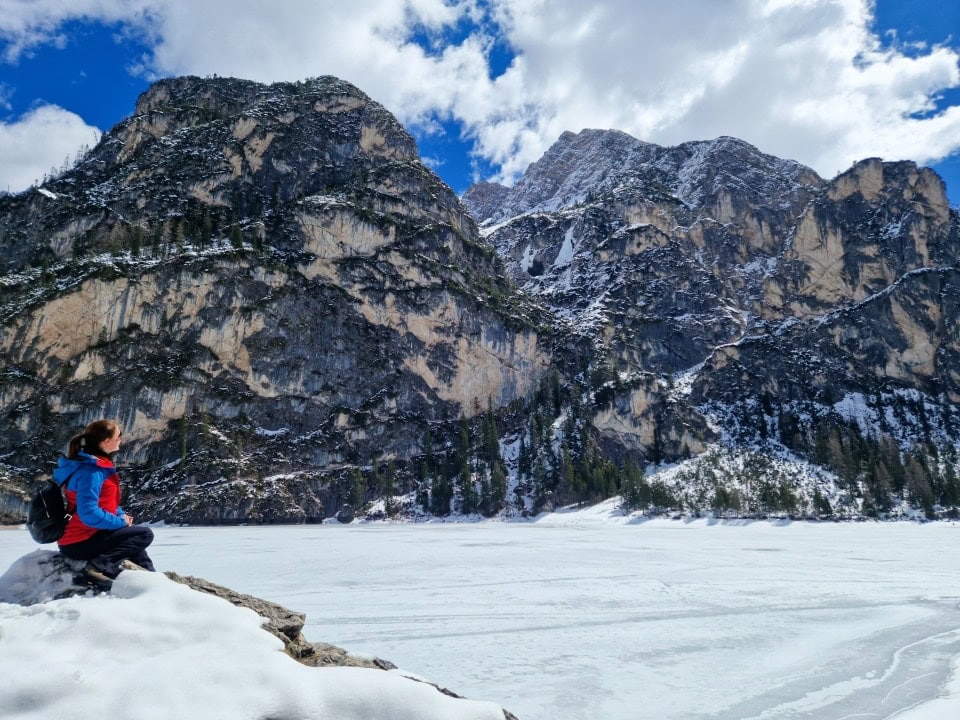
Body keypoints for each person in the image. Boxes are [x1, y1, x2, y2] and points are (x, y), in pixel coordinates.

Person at [55, 419, 155, 587]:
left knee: (135, 542)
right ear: (107, 441)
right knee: (144, 534)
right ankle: (96, 567)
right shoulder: (91, 471)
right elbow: (89, 513)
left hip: (89, 534)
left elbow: (106, 503)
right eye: (119, 435)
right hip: (79, 541)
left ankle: (152, 582)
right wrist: (119, 522)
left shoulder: (95, 467)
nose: (121, 439)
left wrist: (120, 515)